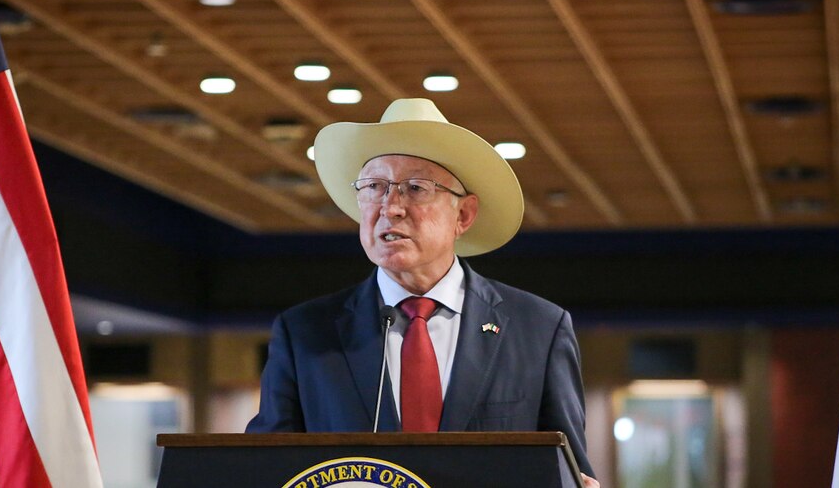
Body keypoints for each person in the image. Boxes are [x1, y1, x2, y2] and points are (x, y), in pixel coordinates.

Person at [246, 98, 598, 486]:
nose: (390, 207)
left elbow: (571, 474)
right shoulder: (305, 333)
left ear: (463, 216)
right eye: (375, 187)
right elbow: (265, 469)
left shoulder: (538, 329)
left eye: (415, 188)